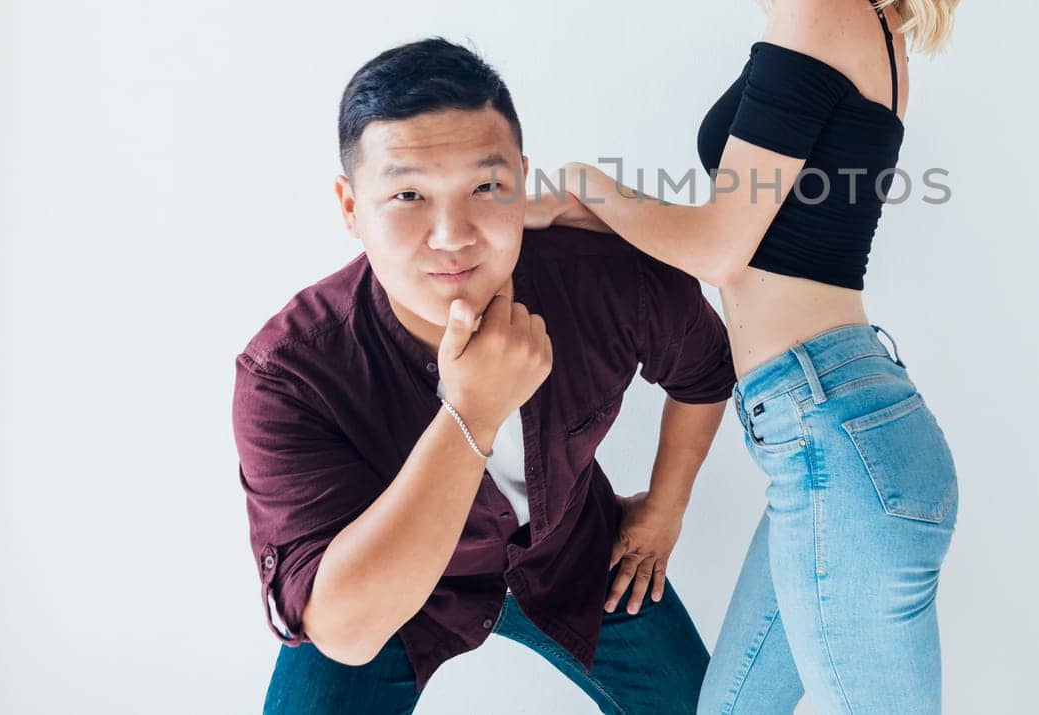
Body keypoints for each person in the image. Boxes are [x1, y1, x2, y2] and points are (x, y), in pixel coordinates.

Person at [527, 0, 965, 712]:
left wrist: (593, 190)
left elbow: (725, 244)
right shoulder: (870, 23)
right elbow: (757, 233)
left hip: (829, 433)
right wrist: (579, 212)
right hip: (843, 427)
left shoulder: (821, 10)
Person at [231, 37, 735, 714]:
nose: (453, 233)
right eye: (408, 193)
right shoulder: (290, 371)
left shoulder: (603, 277)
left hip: (569, 559)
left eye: (485, 186)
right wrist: (470, 414)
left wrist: (665, 510)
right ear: (351, 208)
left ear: (521, 181)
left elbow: (706, 367)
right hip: (390, 593)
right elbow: (343, 629)